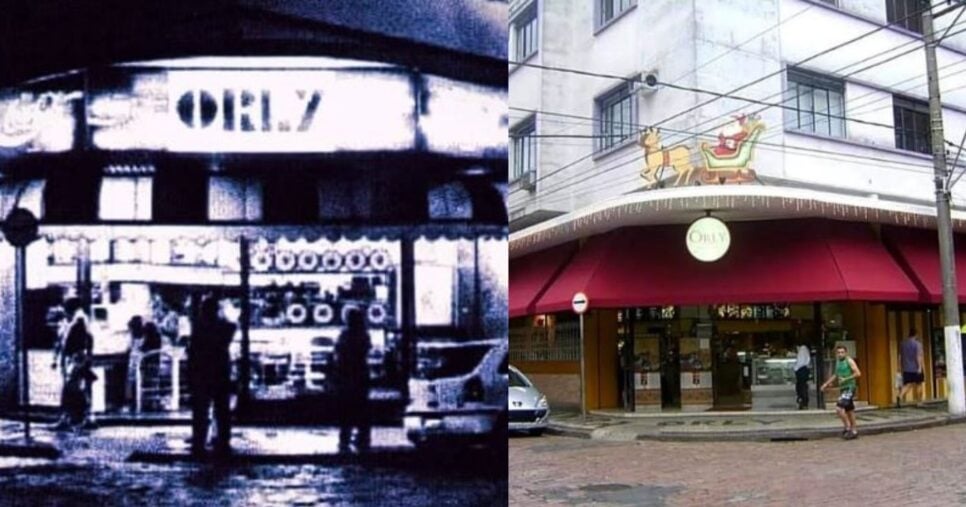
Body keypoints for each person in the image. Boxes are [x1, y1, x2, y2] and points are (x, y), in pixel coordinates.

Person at [188, 295, 236, 458]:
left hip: (202, 373)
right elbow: (232, 326)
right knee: (222, 410)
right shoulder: (224, 327)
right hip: (220, 372)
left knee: (201, 411)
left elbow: (193, 353)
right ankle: (223, 441)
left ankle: (199, 441)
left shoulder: (199, 328)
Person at [334, 308, 372, 453]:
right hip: (361, 373)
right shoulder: (364, 335)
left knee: (346, 408)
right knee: (362, 407)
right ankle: (363, 437)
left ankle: (345, 436)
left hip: (346, 374)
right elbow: (366, 350)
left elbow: (338, 351)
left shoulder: (344, 335)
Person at [52, 306, 95, 431]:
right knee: (77, 390)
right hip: (76, 360)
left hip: (75, 360)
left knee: (71, 390)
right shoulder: (78, 323)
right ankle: (84, 417)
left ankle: (71, 418)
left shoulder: (78, 323)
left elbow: (67, 344)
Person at [821, 345, 862, 440]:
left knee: (839, 408)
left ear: (846, 353)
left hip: (849, 387)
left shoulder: (849, 361)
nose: (840, 354)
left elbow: (858, 373)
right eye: (838, 352)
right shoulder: (838, 362)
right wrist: (826, 384)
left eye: (842, 352)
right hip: (843, 388)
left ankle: (847, 427)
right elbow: (836, 375)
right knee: (849, 410)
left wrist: (846, 379)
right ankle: (854, 431)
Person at [899, 329, 925, 405]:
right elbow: (918, 356)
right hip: (916, 368)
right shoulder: (918, 344)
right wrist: (920, 367)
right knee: (919, 384)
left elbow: (900, 356)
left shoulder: (903, 344)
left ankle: (900, 396)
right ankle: (919, 401)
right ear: (916, 335)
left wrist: (899, 367)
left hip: (906, 368)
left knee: (907, 384)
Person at [124, 316, 145, 413]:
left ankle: (129, 401)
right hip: (141, 363)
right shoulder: (144, 338)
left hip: (134, 362)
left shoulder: (133, 338)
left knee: (129, 381)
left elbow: (128, 349)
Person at [793, 343, 811, 410]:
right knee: (802, 386)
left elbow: (801, 361)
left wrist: (795, 368)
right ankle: (803, 402)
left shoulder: (802, 349)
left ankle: (803, 402)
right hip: (804, 369)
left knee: (801, 386)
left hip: (801, 370)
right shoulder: (804, 349)